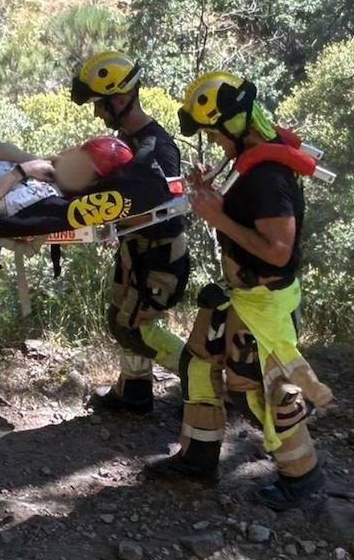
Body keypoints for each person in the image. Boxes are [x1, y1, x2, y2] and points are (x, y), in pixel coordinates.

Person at [153, 71, 333, 511]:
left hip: (264, 301)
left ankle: (302, 477)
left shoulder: (267, 175)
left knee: (263, 392)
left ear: (234, 123)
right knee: (199, 362)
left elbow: (277, 252)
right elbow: (238, 214)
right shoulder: (245, 162)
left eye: (215, 131)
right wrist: (208, 193)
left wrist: (217, 218)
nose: (213, 141)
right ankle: (197, 456)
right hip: (241, 295)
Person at [69, 51, 192, 414]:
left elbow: (168, 209)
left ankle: (209, 380)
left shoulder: (159, 147)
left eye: (100, 105)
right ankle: (135, 392)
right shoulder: (126, 138)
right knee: (119, 317)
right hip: (134, 249)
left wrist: (112, 222)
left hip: (159, 251)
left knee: (138, 328)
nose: (96, 113)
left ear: (121, 98)